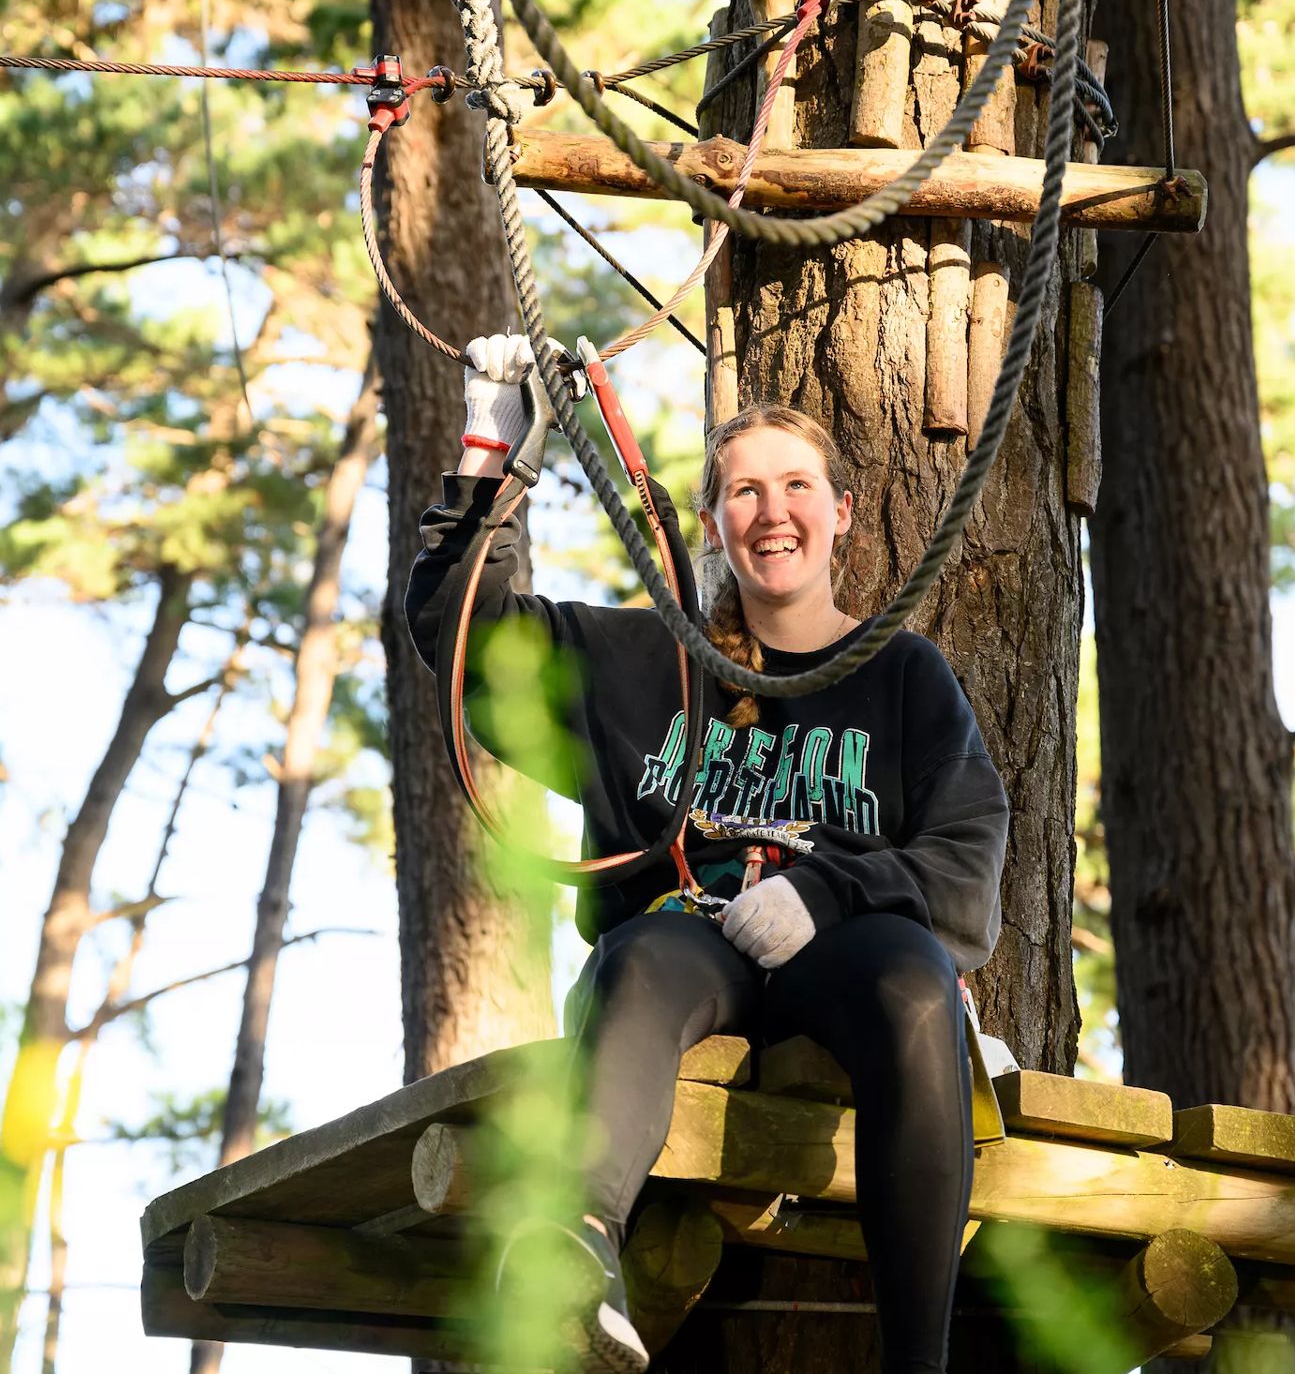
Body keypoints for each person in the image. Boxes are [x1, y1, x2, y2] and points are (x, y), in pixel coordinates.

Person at [405, 334, 1010, 1374]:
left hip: (847, 941)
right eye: (742, 490)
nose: (772, 511)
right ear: (712, 522)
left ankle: (921, 1358)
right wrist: (488, 457)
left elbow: (967, 857)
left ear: (841, 513)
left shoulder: (905, 675)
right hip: (693, 941)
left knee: (914, 983)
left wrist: (833, 890)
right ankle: (574, 1259)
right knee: (640, 959)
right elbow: (467, 636)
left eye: (796, 486)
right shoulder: (646, 662)